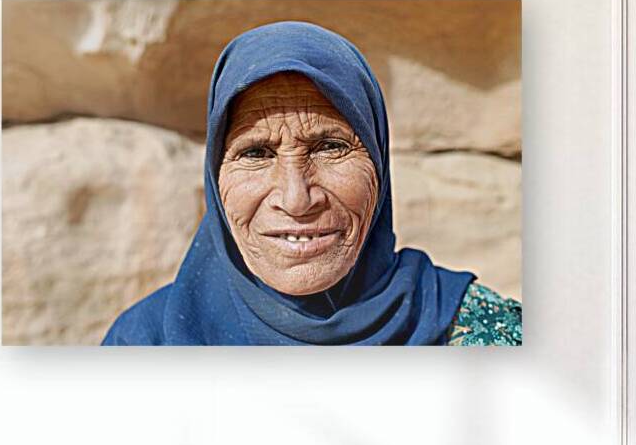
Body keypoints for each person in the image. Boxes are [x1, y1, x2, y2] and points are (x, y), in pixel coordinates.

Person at [102, 21, 521, 346]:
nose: (296, 199)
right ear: (215, 177)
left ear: (378, 162)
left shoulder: (484, 333)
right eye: (256, 153)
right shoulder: (143, 343)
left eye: (329, 147)